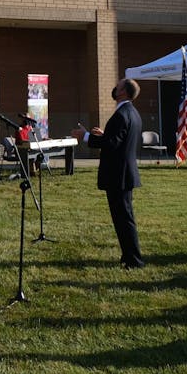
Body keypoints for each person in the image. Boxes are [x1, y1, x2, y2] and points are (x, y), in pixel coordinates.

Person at [70, 78, 145, 268]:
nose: (115, 88)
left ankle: (134, 260)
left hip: (118, 175)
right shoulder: (132, 112)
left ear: (123, 93)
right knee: (123, 218)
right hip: (123, 174)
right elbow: (118, 139)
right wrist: (104, 135)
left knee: (123, 219)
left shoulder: (122, 114)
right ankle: (128, 256)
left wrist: (85, 136)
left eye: (118, 86)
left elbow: (112, 144)